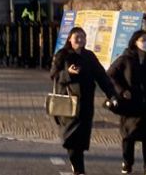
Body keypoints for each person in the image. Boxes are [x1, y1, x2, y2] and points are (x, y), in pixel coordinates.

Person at [50, 26, 118, 175]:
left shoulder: (89, 56)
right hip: (68, 103)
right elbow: (54, 75)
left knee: (81, 137)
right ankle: (78, 168)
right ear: (70, 39)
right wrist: (67, 73)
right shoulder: (62, 55)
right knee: (70, 136)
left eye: (83, 37)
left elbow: (101, 76)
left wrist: (111, 94)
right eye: (77, 37)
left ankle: (78, 167)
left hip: (86, 103)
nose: (80, 40)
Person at [107, 30, 146, 175]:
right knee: (129, 136)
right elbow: (110, 75)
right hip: (131, 105)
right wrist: (122, 90)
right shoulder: (125, 59)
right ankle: (127, 163)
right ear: (135, 42)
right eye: (143, 40)